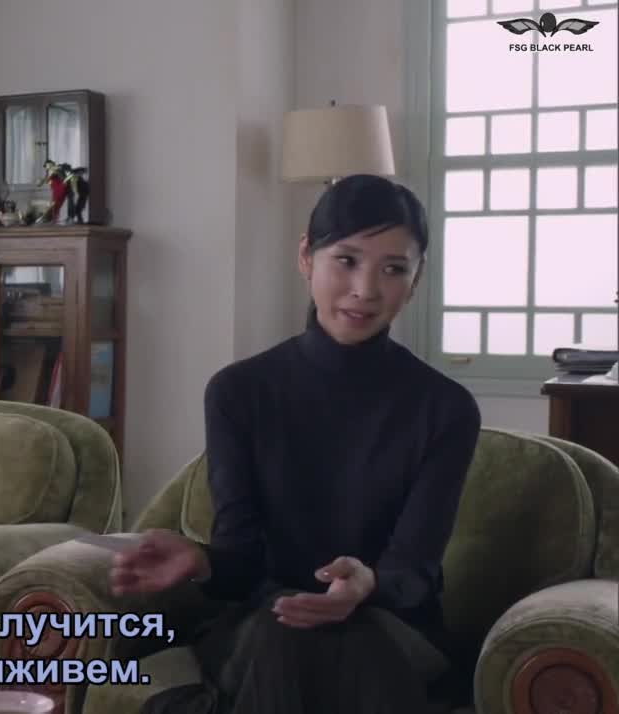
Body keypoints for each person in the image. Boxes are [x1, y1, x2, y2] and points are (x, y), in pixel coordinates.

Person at [111, 174, 482, 714]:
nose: (366, 289)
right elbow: (240, 562)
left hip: (392, 626)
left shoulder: (445, 408)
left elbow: (413, 575)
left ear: (416, 278)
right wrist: (201, 561)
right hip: (263, 624)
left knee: (335, 640)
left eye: (393, 269)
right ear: (306, 255)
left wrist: (366, 583)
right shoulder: (239, 392)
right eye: (347, 260)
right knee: (287, 625)